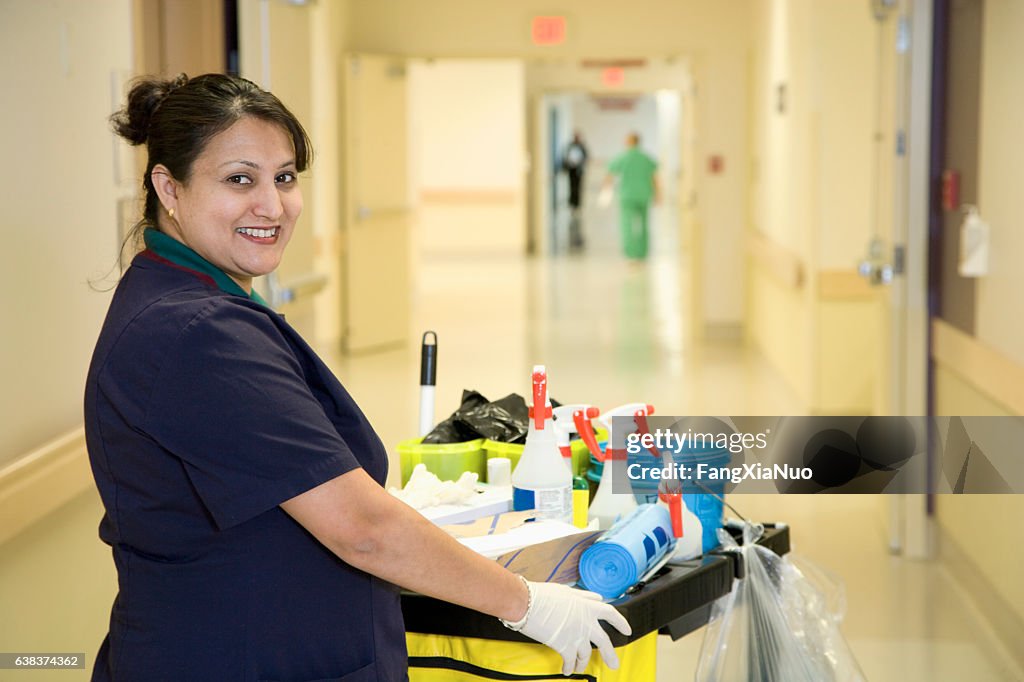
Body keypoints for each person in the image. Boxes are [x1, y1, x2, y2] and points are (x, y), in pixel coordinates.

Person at [86, 73, 629, 681]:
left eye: (285, 177)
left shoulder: (182, 297)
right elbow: (364, 530)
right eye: (240, 179)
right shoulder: (197, 333)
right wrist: (527, 604)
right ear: (170, 187)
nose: (272, 205)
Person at [604, 132, 660, 259]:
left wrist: (606, 191)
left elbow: (609, 173)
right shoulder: (646, 158)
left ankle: (631, 253)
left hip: (627, 196)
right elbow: (654, 177)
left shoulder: (623, 157)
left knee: (627, 225)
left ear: (629, 142)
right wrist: (658, 194)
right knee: (644, 224)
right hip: (644, 195)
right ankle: (643, 252)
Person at [561, 131, 589, 248]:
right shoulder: (569, 146)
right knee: (572, 188)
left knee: (578, 189)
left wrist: (580, 163)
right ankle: (572, 204)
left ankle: (578, 205)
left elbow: (586, 158)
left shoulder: (582, 147)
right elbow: (565, 159)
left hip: (579, 172)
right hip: (571, 172)